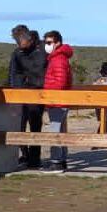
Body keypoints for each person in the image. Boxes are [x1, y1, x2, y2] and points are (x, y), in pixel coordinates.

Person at [10, 31, 48, 168]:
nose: (21, 47)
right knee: (19, 126)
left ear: (30, 40)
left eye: (23, 45)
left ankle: (34, 159)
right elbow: (13, 74)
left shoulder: (42, 50)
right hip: (21, 94)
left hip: (37, 94)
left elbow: (45, 70)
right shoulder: (17, 54)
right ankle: (25, 155)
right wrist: (15, 91)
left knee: (35, 126)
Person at [41, 30, 73, 174]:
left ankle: (56, 163)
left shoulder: (58, 59)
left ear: (57, 43)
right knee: (60, 131)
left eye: (49, 43)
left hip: (57, 101)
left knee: (55, 131)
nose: (46, 46)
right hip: (59, 101)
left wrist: (47, 92)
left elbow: (60, 82)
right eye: (45, 43)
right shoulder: (58, 58)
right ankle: (62, 160)